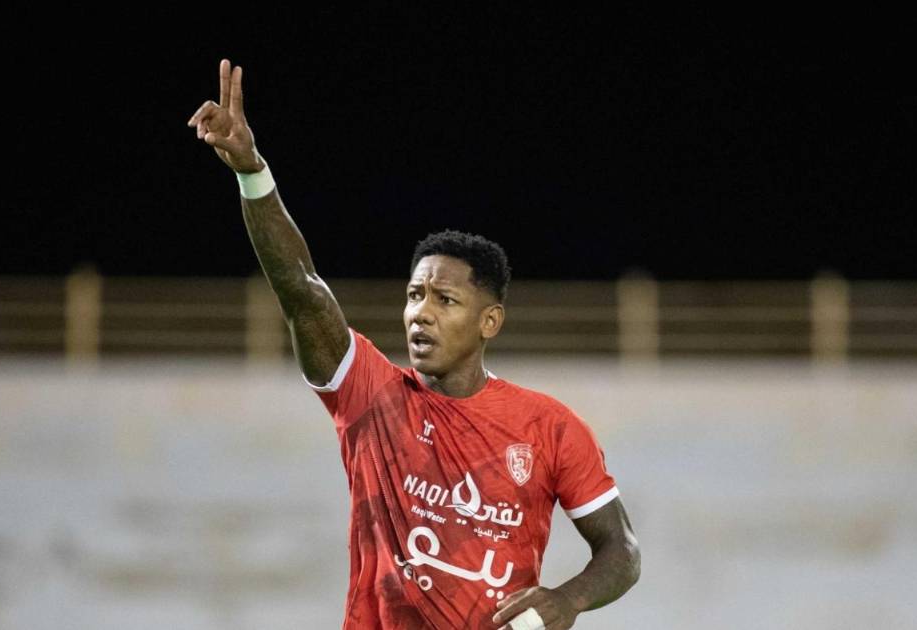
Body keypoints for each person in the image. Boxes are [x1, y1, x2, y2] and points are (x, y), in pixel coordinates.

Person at [188, 59, 640, 630]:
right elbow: (301, 289)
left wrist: (567, 599)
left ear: (490, 321)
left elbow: (622, 550)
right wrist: (252, 173)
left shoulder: (549, 428)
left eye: (444, 300)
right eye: (414, 295)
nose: (421, 313)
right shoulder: (370, 396)